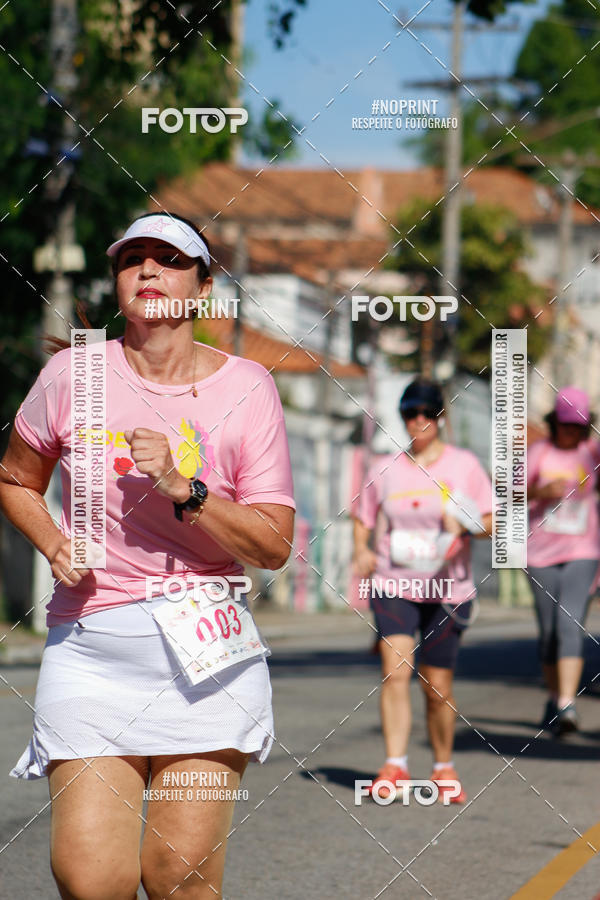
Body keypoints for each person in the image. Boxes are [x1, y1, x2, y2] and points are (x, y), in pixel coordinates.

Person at [0, 212, 296, 900]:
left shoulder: (247, 387)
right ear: (118, 280)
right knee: (90, 880)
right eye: (133, 258)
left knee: (178, 876)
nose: (149, 270)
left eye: (170, 258)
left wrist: (187, 490)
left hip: (208, 659)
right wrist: (53, 541)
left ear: (203, 287)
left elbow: (274, 543)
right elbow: (15, 480)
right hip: (93, 654)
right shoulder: (73, 374)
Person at [353, 379, 493, 804]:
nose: (419, 421)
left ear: (441, 417)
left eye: (427, 413)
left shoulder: (464, 465)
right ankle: (394, 765)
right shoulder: (385, 468)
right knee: (395, 672)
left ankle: (443, 766)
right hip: (394, 583)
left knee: (437, 689)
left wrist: (465, 525)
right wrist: (362, 550)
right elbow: (363, 516)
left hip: (447, 588)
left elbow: (492, 522)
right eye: (410, 413)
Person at [526, 386, 600, 736]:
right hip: (540, 554)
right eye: (565, 424)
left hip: (583, 551)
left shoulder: (592, 452)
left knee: (569, 623)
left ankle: (567, 704)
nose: (571, 431)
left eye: (577, 426)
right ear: (555, 422)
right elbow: (507, 490)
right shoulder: (538, 452)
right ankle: (555, 698)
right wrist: (540, 491)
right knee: (549, 634)